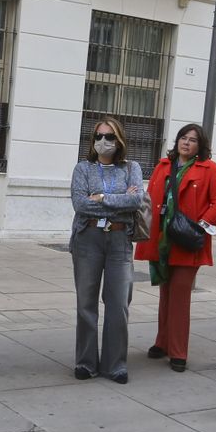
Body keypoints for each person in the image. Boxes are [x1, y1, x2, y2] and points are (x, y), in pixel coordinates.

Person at [135, 123, 216, 372]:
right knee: (165, 294)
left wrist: (202, 223)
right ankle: (162, 342)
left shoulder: (208, 168)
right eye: (183, 138)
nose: (186, 143)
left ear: (201, 145)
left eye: (193, 140)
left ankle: (178, 351)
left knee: (179, 296)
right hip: (163, 238)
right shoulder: (164, 165)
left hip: (187, 240)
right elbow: (149, 199)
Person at [68, 115, 148, 382]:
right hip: (87, 237)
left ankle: (115, 365)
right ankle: (86, 363)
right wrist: (119, 201)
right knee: (86, 303)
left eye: (110, 136)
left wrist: (102, 197)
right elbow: (80, 204)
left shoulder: (131, 167)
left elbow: (137, 199)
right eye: (99, 137)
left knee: (118, 304)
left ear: (119, 139)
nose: (104, 142)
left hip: (119, 241)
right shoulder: (83, 169)